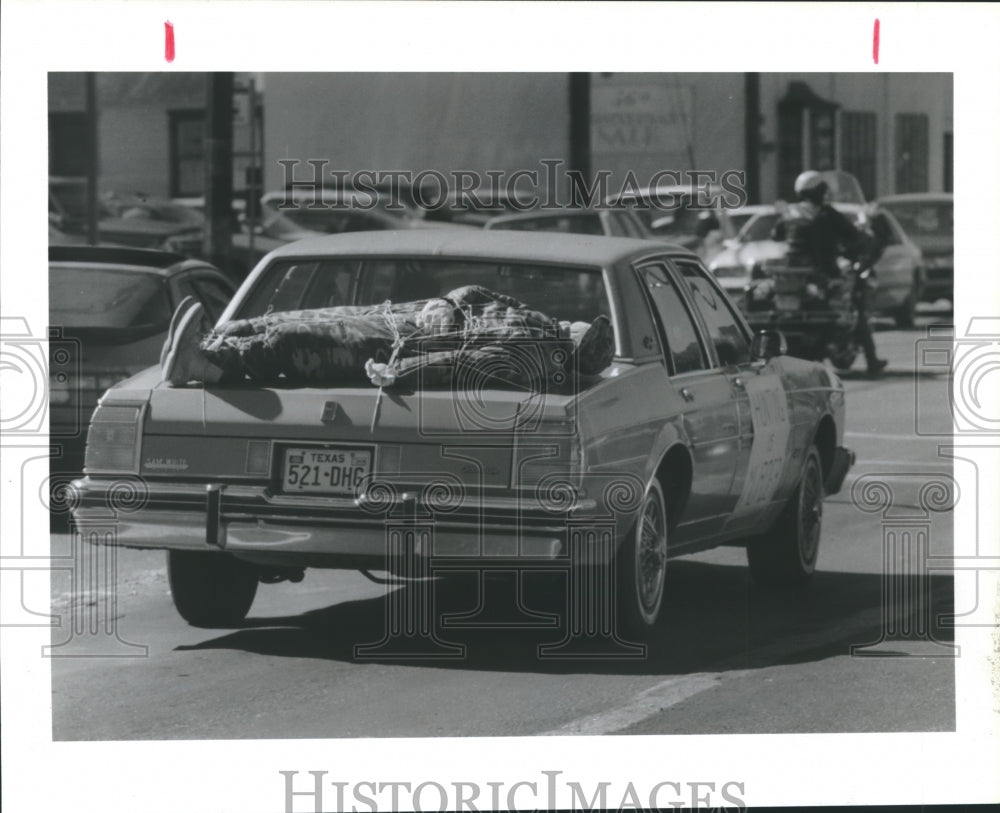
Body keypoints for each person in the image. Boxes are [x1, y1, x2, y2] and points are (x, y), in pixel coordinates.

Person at [774, 170, 888, 375]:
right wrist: (863, 240)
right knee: (855, 303)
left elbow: (777, 234)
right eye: (822, 190)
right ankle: (871, 359)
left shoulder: (792, 213)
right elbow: (852, 235)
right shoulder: (825, 213)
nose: (824, 194)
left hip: (794, 271)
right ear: (817, 191)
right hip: (824, 270)